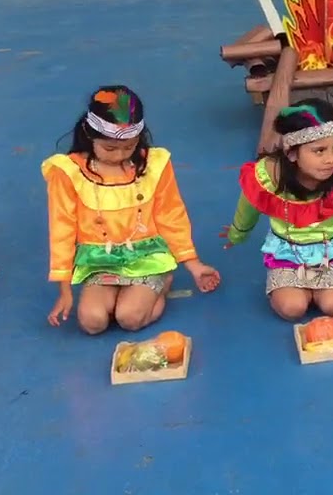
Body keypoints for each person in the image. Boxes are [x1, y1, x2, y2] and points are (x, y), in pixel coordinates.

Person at [44, 86, 219, 334]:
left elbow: (171, 214)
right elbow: (61, 227)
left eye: (129, 147)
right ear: (89, 135)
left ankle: (162, 281)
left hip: (147, 258)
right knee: (92, 323)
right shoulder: (68, 172)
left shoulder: (153, 165)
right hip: (100, 262)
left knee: (129, 319)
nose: (119, 156)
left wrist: (193, 264)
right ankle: (125, 294)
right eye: (110, 148)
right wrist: (64, 289)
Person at [222, 99, 333, 320]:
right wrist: (237, 233)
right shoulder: (267, 178)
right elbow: (249, 207)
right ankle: (300, 288)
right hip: (289, 254)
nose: (330, 159)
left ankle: (330, 284)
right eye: (319, 151)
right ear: (292, 153)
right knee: (292, 308)